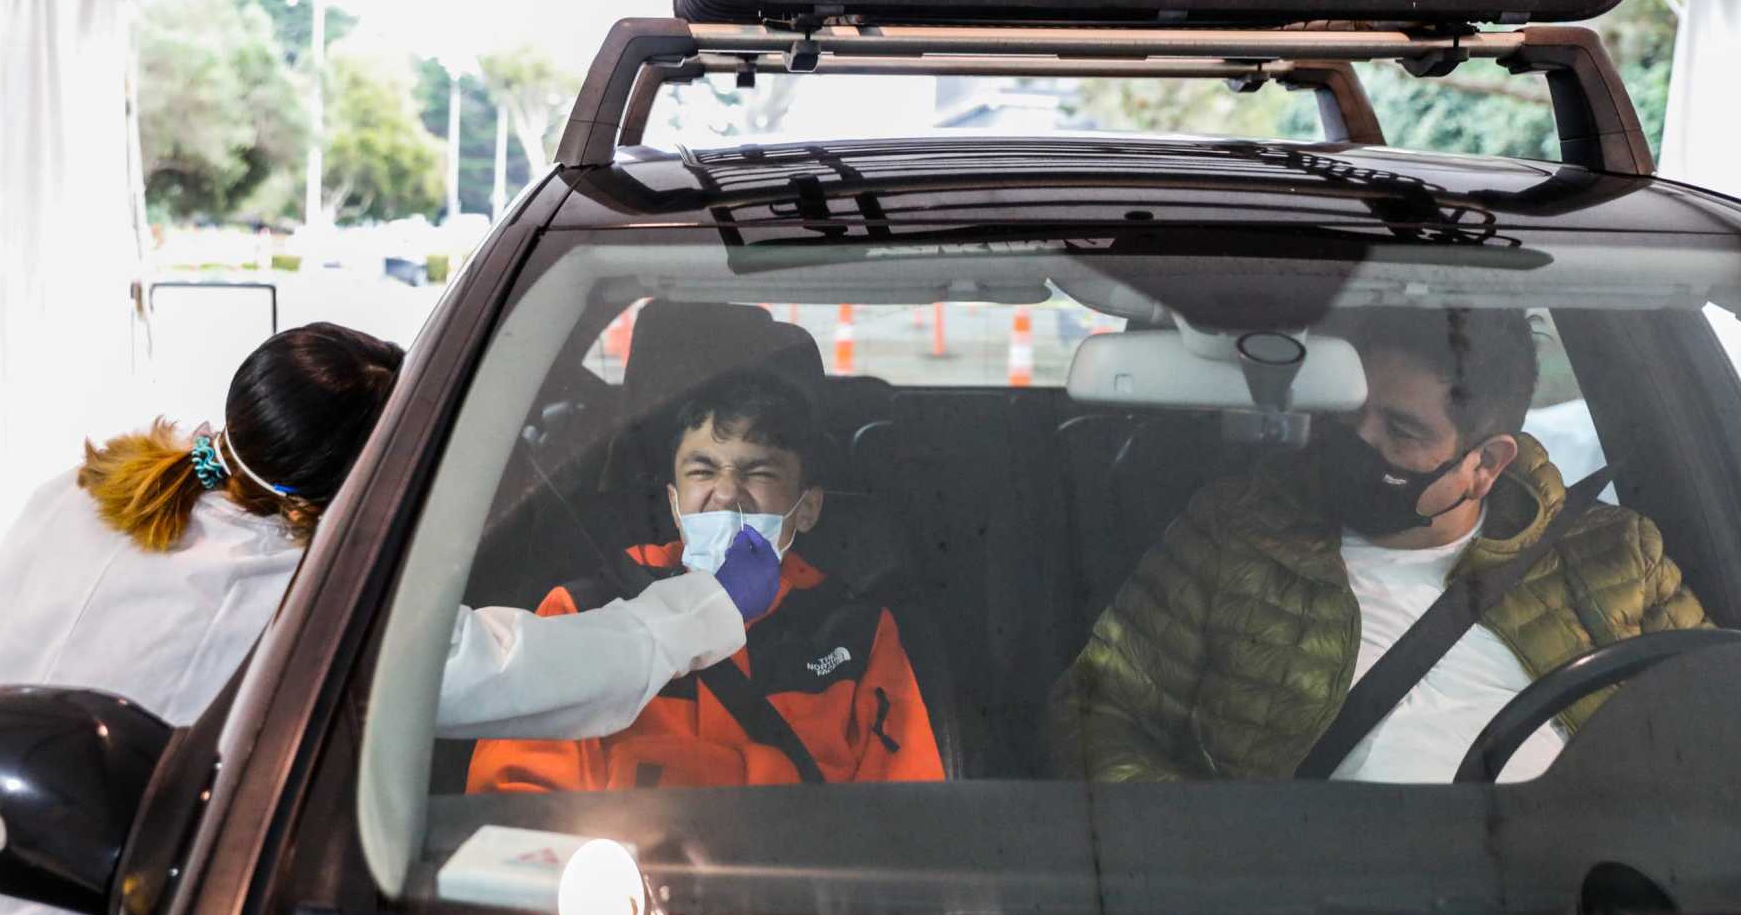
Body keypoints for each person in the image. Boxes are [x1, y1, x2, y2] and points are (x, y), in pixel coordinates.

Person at [0, 322, 778, 915]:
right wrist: (707, 606)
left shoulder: (79, 495)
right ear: (366, 482)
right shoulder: (299, 601)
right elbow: (525, 667)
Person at [1064, 308, 1709, 784]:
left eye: (1399, 430)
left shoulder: (1617, 554)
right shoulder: (1238, 532)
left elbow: (1715, 730)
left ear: (1485, 463)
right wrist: (1218, 855)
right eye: (1349, 413)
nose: (1358, 442)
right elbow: (1098, 711)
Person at [470, 369, 947, 791]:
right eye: (702, 471)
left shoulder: (856, 633)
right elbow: (516, 801)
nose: (725, 494)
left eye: (758, 471)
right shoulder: (582, 610)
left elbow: (905, 812)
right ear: (675, 505)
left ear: (807, 508)